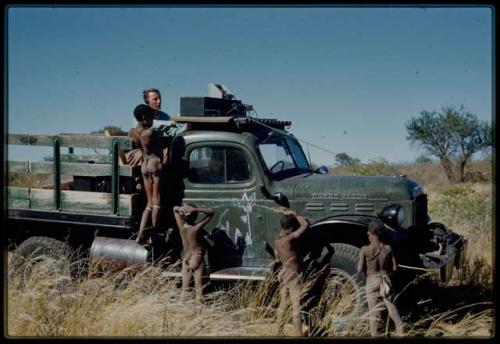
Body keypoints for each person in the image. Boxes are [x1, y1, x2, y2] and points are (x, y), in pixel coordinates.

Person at [357, 219, 405, 337]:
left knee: (373, 312)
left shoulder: (364, 249)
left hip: (371, 281)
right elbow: (394, 268)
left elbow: (359, 269)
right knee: (392, 308)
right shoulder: (388, 248)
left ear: (371, 233)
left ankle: (375, 335)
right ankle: (401, 332)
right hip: (385, 280)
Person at [129, 104, 165, 245]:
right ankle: (155, 234)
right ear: (144, 118)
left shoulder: (133, 132)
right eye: (151, 118)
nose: (152, 121)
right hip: (154, 164)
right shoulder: (149, 133)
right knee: (157, 202)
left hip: (144, 165)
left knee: (148, 203)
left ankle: (141, 234)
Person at [274, 210, 309, 337]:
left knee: (282, 305)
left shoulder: (277, 241)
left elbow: (277, 258)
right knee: (296, 307)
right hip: (292, 276)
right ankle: (299, 334)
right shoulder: (289, 239)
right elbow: (305, 225)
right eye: (292, 229)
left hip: (283, 275)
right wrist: (296, 214)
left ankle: (279, 332)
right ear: (290, 228)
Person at [173, 204, 214, 302]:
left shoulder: (181, 227)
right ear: (195, 216)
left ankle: (181, 306)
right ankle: (199, 308)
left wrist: (181, 209)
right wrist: (196, 209)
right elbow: (211, 213)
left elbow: (174, 209)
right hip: (196, 257)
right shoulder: (195, 228)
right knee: (198, 287)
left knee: (184, 288)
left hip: (186, 259)